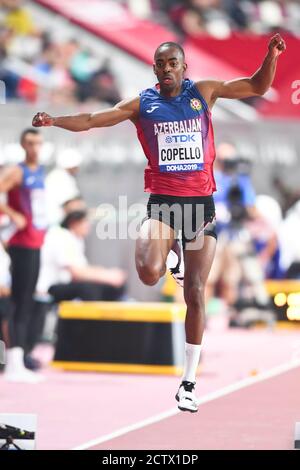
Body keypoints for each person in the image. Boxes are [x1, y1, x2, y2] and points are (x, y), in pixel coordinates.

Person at [32, 34, 286, 412]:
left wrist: (271, 55)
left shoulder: (205, 92)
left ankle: (188, 381)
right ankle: (173, 260)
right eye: (161, 65)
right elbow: (90, 120)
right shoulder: (143, 103)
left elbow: (257, 85)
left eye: (173, 63)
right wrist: (55, 120)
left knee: (196, 293)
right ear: (154, 69)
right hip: (165, 203)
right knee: (150, 272)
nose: (167, 69)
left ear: (184, 67)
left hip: (201, 206)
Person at [0, 128, 47, 382]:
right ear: (22, 145)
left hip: (35, 241)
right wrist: (12, 213)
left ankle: (19, 359)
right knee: (19, 300)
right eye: (30, 143)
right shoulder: (16, 171)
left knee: (27, 299)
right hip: (21, 243)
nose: (34, 148)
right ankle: (14, 362)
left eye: (38, 143)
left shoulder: (39, 171)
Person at [36, 210, 127, 302]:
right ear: (74, 223)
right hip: (51, 288)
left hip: (68, 285)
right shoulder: (62, 236)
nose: (89, 226)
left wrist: (109, 274)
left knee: (113, 288)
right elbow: (77, 273)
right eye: (86, 222)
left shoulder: (77, 241)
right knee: (89, 289)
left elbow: (84, 269)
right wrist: (108, 276)